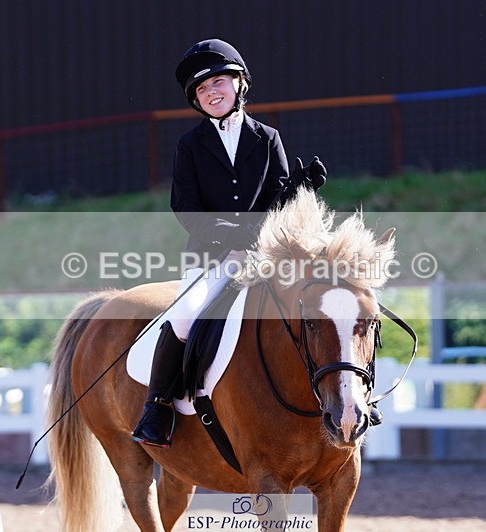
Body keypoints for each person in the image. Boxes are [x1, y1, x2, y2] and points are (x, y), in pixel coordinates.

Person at [132, 38, 327, 447]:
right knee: (185, 314)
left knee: (321, 306)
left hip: (266, 259)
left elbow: (278, 202)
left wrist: (300, 190)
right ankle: (157, 407)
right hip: (212, 259)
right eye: (202, 90)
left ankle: (342, 395)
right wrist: (229, 238)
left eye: (219, 82)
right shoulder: (189, 146)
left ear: (240, 85)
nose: (212, 93)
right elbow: (185, 208)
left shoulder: (268, 137)